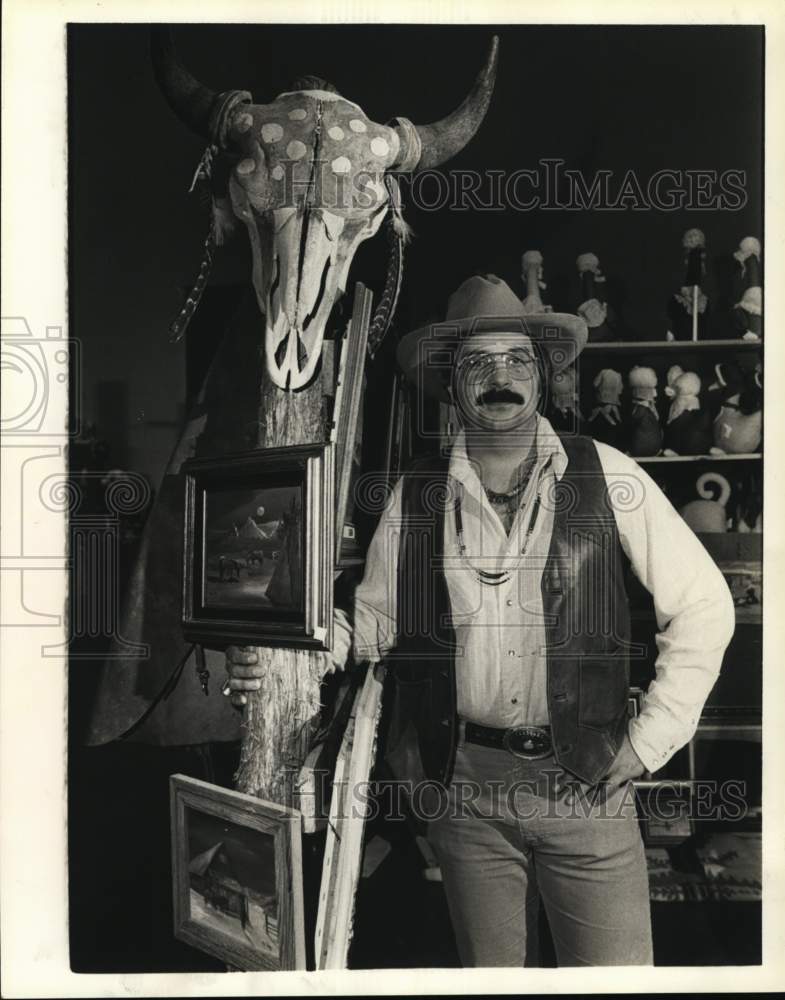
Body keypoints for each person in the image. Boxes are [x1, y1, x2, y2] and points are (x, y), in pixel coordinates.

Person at [226, 274, 735, 967]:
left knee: (616, 981)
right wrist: (292, 648)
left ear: (542, 375)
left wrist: (648, 742)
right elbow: (373, 628)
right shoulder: (416, 494)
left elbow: (704, 604)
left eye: (516, 360)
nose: (500, 377)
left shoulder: (607, 472)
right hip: (464, 788)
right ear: (451, 383)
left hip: (582, 781)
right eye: (477, 363)